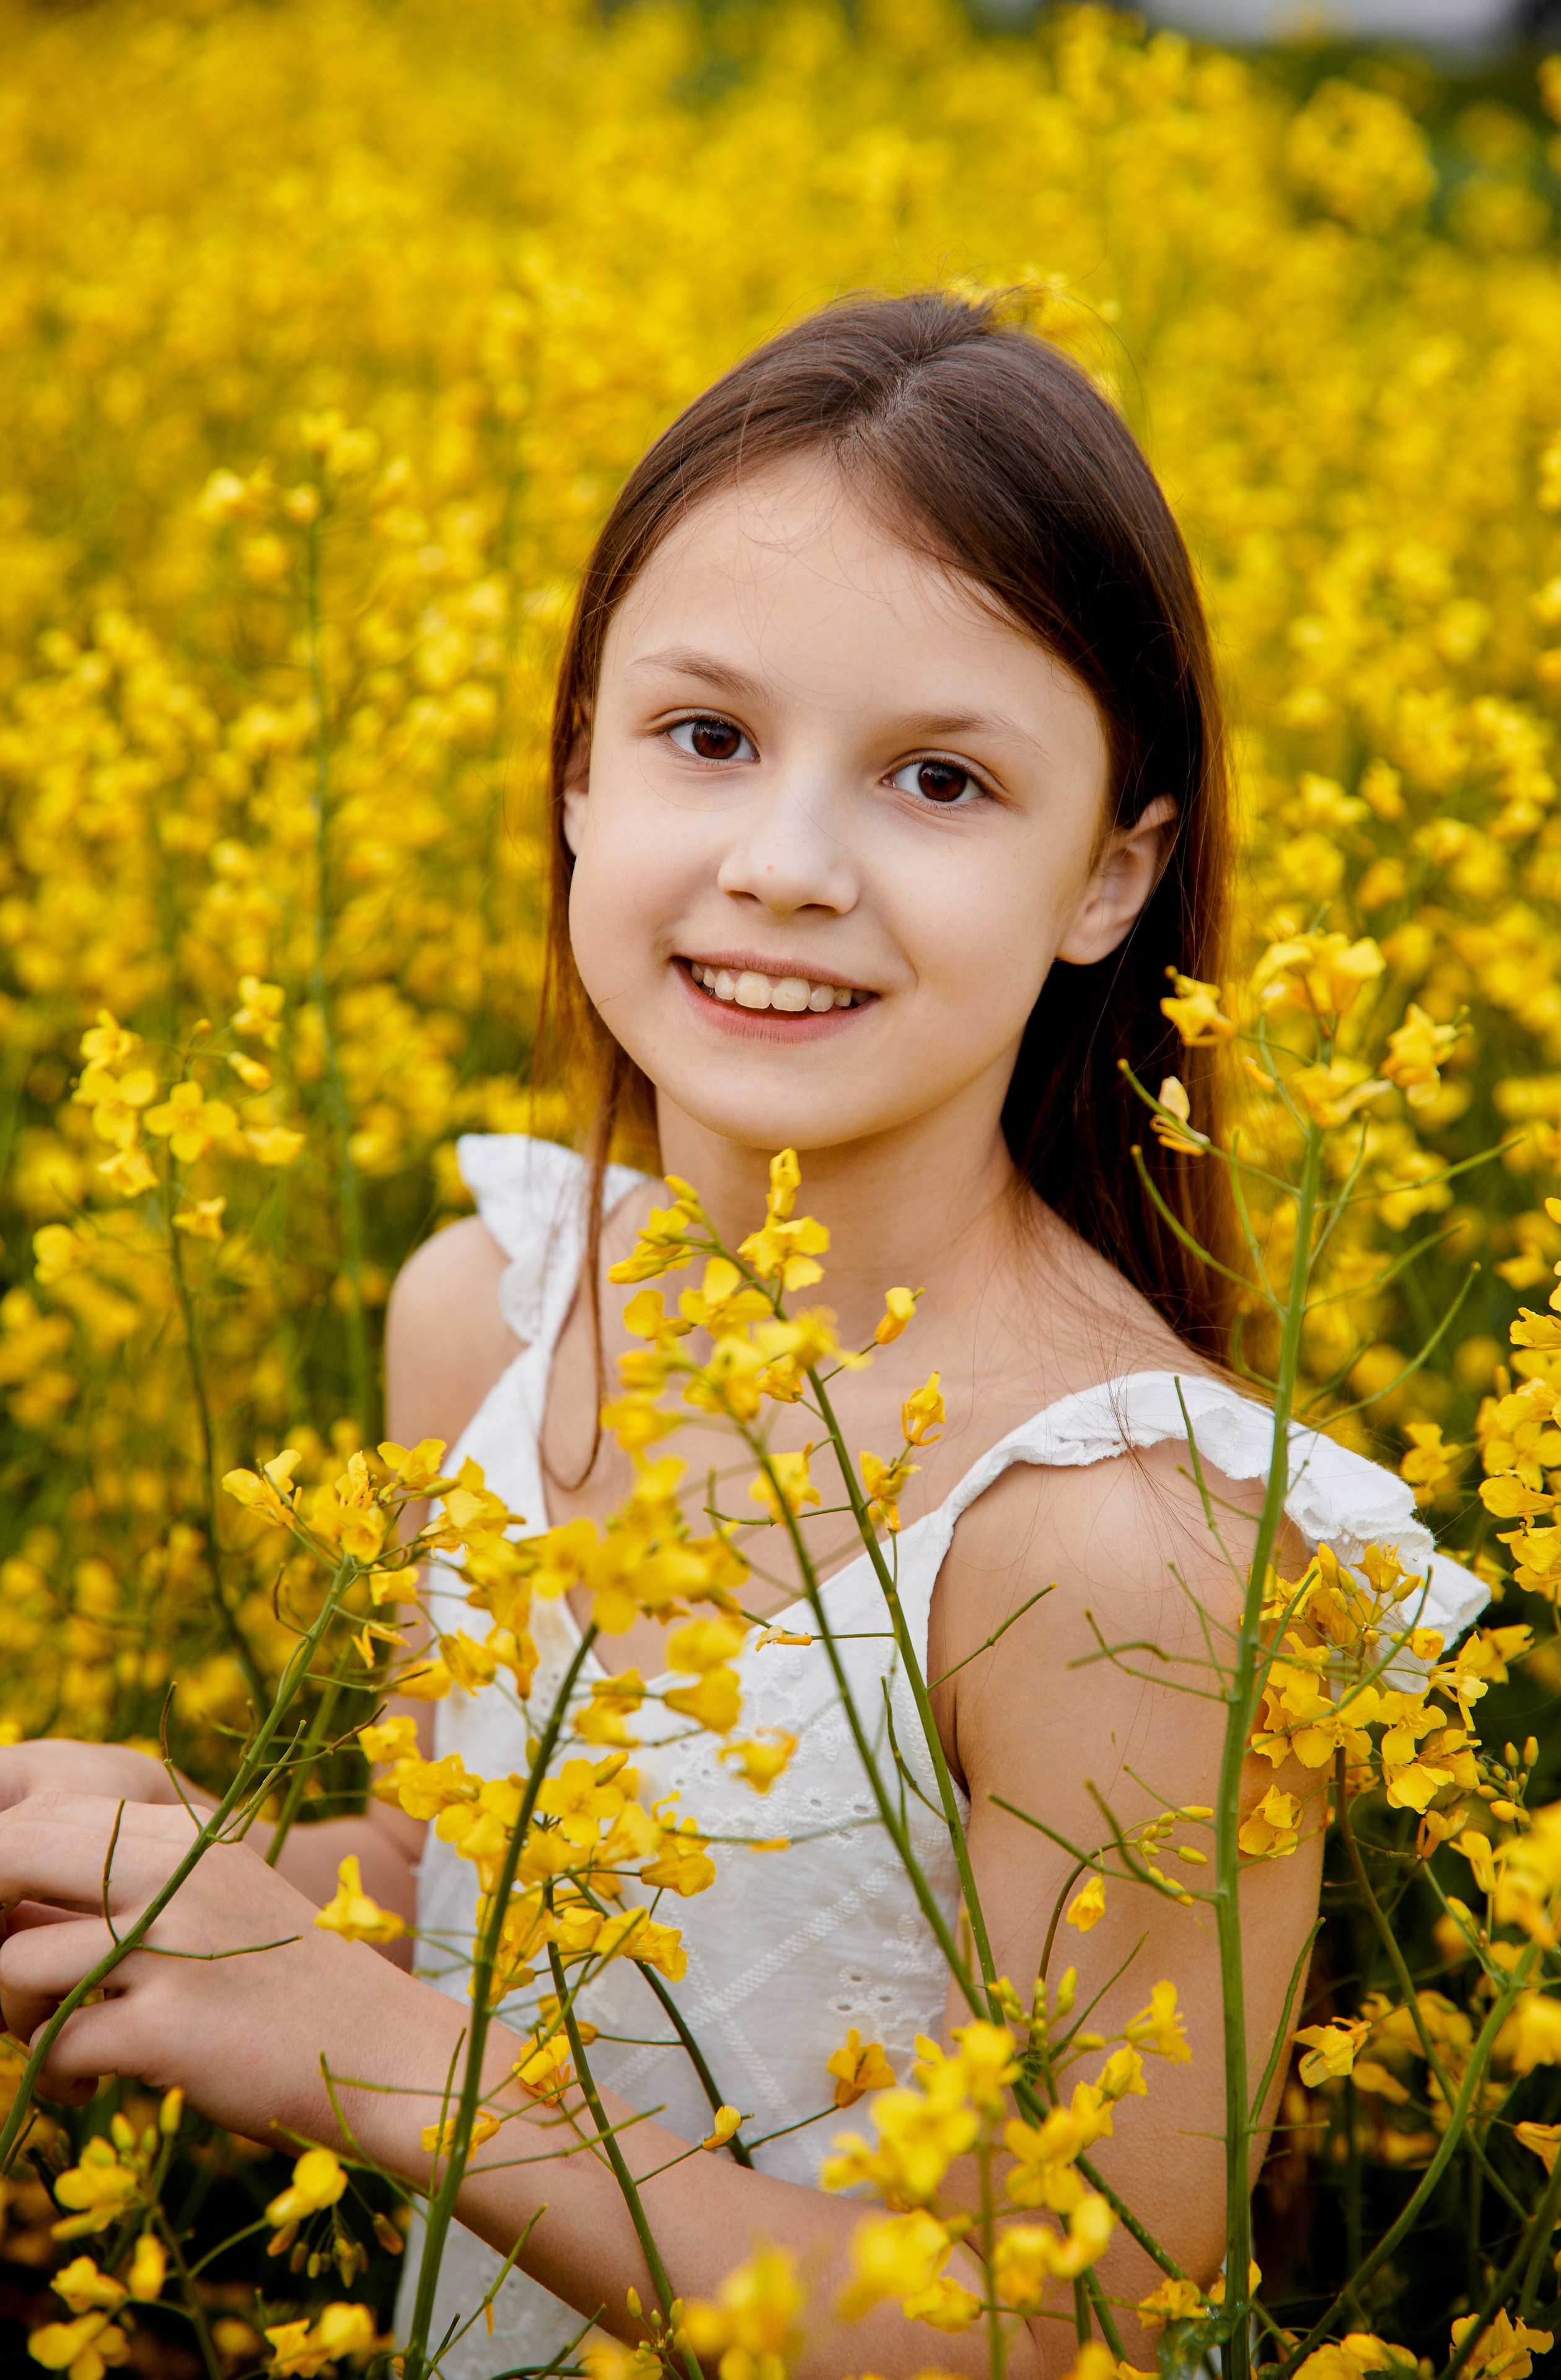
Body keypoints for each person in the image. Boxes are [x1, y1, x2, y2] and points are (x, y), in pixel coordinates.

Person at [0, 292, 1481, 2377]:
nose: (786, 867)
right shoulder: (488, 1316)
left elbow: (1083, 2336)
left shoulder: (1123, 1551)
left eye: (941, 779)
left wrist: (374, 2062)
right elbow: (461, 1887)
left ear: (1109, 877)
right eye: (708, 738)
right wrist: (164, 1888)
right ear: (580, 772)